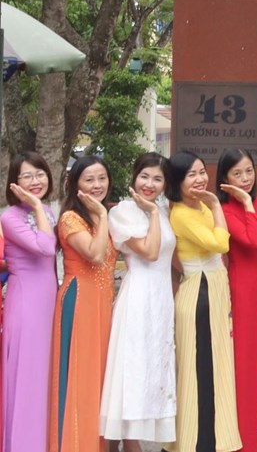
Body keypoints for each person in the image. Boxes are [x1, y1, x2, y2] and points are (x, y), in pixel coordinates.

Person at [100, 153, 177, 451]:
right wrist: (153, 214)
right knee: (131, 368)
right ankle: (123, 443)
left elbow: (171, 258)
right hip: (138, 297)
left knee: (152, 369)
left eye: (158, 179)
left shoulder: (165, 210)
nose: (150, 184)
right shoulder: (123, 212)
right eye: (145, 176)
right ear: (134, 176)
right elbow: (150, 252)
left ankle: (133, 441)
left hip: (161, 299)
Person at [166, 151, 241, 452]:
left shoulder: (199, 207)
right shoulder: (182, 214)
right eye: (191, 175)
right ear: (177, 181)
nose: (200, 179)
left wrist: (211, 207)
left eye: (201, 172)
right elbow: (220, 243)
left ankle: (212, 439)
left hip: (212, 289)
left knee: (214, 366)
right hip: (200, 293)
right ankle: (197, 442)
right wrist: (216, 205)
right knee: (200, 369)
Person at [48, 155, 117, 452]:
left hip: (104, 302)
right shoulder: (70, 219)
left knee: (100, 377)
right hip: (78, 302)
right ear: (75, 183)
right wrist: (101, 216)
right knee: (80, 376)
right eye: (89, 179)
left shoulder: (106, 215)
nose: (97, 185)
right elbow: (95, 255)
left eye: (102, 178)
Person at [2, 151, 57, 452]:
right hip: (26, 304)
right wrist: (36, 206)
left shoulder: (47, 211)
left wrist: (39, 208)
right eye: (27, 176)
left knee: (43, 376)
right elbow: (45, 248)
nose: (36, 181)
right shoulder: (10, 217)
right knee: (27, 375)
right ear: (15, 182)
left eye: (40, 173)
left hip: (48, 299)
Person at [215, 148, 257, 452]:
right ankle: (243, 443)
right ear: (224, 178)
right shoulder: (225, 211)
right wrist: (247, 203)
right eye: (237, 173)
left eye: (249, 171)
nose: (246, 178)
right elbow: (253, 240)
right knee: (245, 366)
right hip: (242, 291)